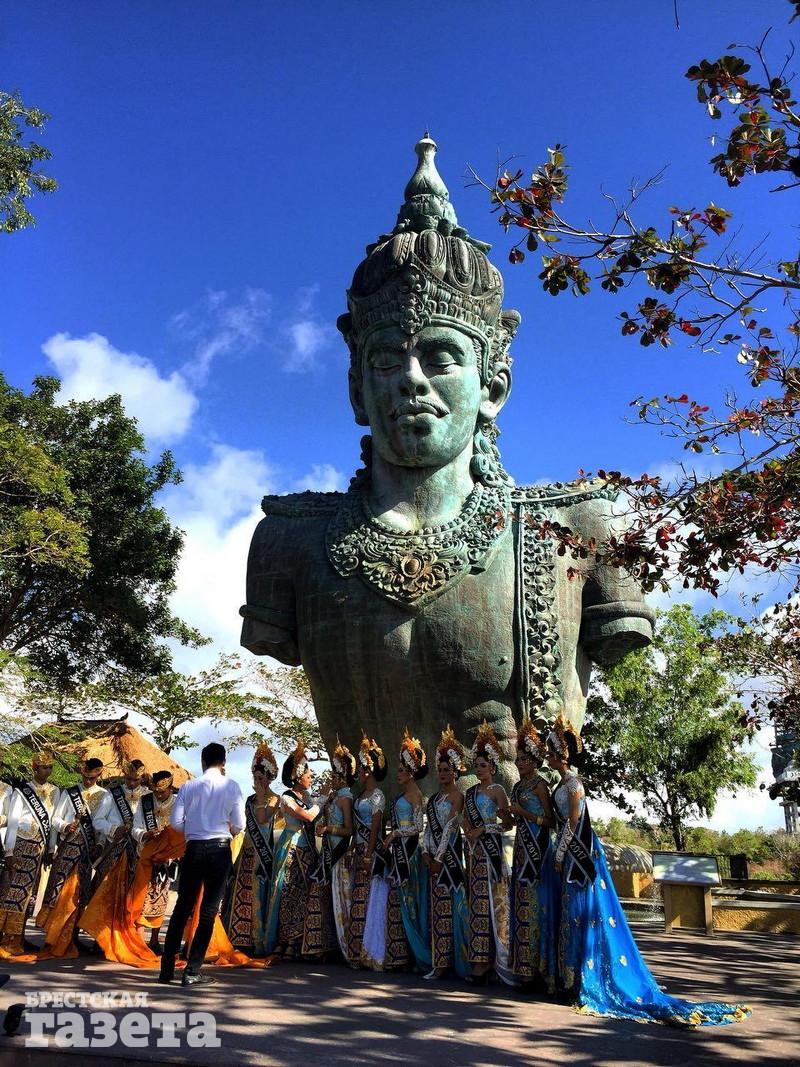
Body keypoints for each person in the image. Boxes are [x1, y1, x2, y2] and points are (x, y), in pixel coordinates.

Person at [547, 716, 750, 1026]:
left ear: (562, 754)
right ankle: (570, 978)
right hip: (567, 850)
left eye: (551, 752)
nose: (548, 756)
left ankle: (585, 979)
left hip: (579, 853)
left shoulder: (574, 784)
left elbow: (575, 823)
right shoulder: (560, 784)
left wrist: (561, 853)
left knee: (582, 912)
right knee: (570, 912)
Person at [159, 742, 245, 987]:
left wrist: (195, 829)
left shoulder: (188, 786)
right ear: (224, 762)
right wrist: (223, 828)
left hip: (193, 849)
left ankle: (166, 970)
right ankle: (192, 971)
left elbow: (176, 822)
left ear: (202, 762)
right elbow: (240, 825)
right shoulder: (232, 786)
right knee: (208, 911)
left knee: (182, 908)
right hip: (219, 849)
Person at [363, 731, 429, 971]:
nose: (398, 773)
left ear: (411, 771)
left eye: (402, 770)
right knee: (399, 901)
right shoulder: (402, 795)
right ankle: (401, 952)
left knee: (410, 901)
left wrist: (393, 834)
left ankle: (415, 954)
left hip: (409, 852)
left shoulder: (416, 796)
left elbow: (417, 827)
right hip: (399, 851)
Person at [36, 757, 114, 958]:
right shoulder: (70, 792)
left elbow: (103, 826)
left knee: (78, 894)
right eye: (85, 777)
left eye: (92, 778)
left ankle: (73, 937)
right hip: (67, 848)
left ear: (99, 775)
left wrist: (100, 844)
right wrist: (65, 826)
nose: (87, 781)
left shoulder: (105, 796)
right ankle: (52, 937)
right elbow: (56, 818)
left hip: (87, 851)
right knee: (58, 890)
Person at [463, 721, 515, 985]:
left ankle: (495, 961)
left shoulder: (498, 791)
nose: (479, 768)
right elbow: (464, 818)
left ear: (493, 767)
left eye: (483, 765)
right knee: (476, 905)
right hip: (473, 855)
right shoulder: (470, 792)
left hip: (491, 854)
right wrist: (468, 828)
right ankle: (478, 961)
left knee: (493, 904)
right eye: (477, 765)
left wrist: (483, 828)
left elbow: (508, 824)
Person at [508, 717, 557, 991]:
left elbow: (550, 821)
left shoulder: (540, 785)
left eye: (525, 759)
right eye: (518, 758)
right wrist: (508, 815)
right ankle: (522, 968)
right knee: (520, 904)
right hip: (520, 849)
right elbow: (515, 821)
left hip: (537, 850)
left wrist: (524, 813)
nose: (519, 763)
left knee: (535, 904)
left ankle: (537, 969)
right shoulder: (517, 787)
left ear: (536, 760)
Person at [263, 741, 322, 959]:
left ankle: (296, 940)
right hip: (290, 848)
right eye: (308, 774)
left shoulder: (308, 798)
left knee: (302, 895)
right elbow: (307, 816)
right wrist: (323, 800)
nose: (311, 777)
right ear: (298, 776)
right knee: (285, 893)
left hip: (306, 851)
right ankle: (282, 940)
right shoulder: (287, 797)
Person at [0, 750, 60, 958]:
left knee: (30, 895)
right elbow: (13, 821)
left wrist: (51, 849)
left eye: (50, 767)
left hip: (39, 849)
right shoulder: (22, 791)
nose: (47, 771)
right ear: (35, 768)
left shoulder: (55, 791)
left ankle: (20, 937)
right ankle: (6, 938)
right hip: (20, 845)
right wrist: (9, 851)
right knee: (11, 892)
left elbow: (52, 823)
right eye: (44, 767)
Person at [421, 726, 469, 980]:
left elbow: (450, 828)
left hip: (449, 860)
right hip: (434, 859)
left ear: (456, 771)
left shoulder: (458, 797)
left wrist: (439, 859)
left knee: (453, 909)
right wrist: (426, 853)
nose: (442, 774)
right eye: (440, 770)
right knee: (437, 910)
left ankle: (454, 962)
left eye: (446, 770)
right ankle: (438, 961)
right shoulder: (433, 799)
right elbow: (429, 829)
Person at [224, 742, 279, 956]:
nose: (256, 781)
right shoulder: (249, 800)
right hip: (247, 850)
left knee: (257, 892)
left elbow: (263, 819)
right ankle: (237, 935)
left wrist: (262, 796)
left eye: (260, 777)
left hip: (262, 854)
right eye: (255, 777)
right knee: (240, 890)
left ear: (268, 778)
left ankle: (256, 939)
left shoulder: (275, 799)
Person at [345, 736, 386, 968]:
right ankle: (356, 950)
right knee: (358, 898)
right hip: (359, 849)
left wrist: (369, 854)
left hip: (371, 851)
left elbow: (375, 828)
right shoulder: (360, 796)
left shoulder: (378, 795)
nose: (359, 773)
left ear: (369, 771)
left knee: (370, 899)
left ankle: (368, 950)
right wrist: (352, 848)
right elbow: (356, 829)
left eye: (361, 769)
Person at [313, 739, 355, 958]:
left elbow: (349, 830)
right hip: (328, 851)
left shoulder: (346, 798)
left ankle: (346, 944)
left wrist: (329, 828)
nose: (332, 780)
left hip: (339, 852)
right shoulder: (334, 797)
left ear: (342, 777)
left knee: (341, 899)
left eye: (334, 776)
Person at [132, 770, 179, 953]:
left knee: (161, 898)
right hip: (145, 855)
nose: (158, 795)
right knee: (141, 898)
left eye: (162, 792)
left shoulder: (178, 803)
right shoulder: (145, 801)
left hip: (166, 859)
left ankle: (154, 940)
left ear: (170, 788)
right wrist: (145, 834)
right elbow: (135, 827)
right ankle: (138, 939)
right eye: (156, 792)